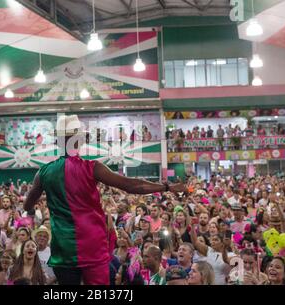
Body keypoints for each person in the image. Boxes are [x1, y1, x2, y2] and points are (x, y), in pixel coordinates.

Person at [24, 115, 185, 285]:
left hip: (63, 249)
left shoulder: (43, 173)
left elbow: (28, 203)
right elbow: (132, 185)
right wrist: (166, 187)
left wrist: (32, 210)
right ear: (78, 141)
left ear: (58, 141)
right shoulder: (92, 168)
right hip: (92, 246)